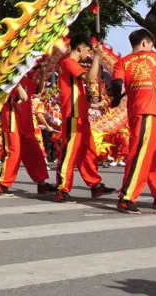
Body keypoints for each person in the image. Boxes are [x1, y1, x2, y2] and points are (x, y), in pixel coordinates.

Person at [111, 29, 156, 214]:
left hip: (138, 111)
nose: (152, 47)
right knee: (140, 154)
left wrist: (116, 96)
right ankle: (127, 198)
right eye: (151, 43)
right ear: (144, 43)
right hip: (146, 112)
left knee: (153, 156)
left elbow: (117, 84)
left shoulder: (122, 61)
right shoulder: (154, 57)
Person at [53, 34, 114, 202]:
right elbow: (91, 78)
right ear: (79, 48)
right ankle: (62, 188)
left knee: (88, 152)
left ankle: (95, 185)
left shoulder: (71, 64)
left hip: (81, 115)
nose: (87, 54)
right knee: (70, 152)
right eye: (87, 51)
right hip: (73, 115)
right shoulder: (69, 62)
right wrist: (97, 58)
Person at [0, 69, 56, 196]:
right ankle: (2, 185)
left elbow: (37, 91)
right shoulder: (9, 78)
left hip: (26, 123)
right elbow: (23, 96)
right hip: (12, 122)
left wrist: (43, 73)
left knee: (35, 153)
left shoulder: (26, 77)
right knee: (14, 153)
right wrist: (17, 82)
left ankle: (42, 184)